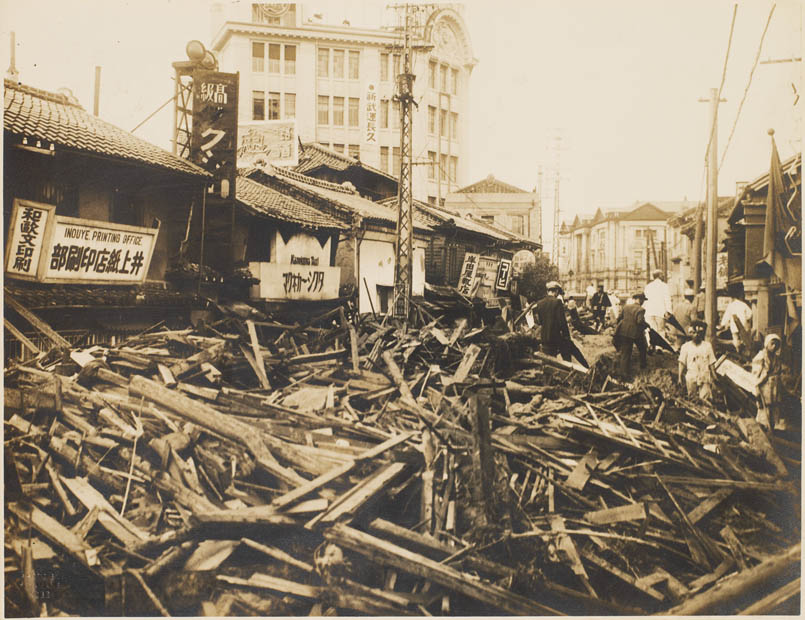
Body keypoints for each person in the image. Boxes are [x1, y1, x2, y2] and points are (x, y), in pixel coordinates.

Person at [677, 320, 717, 401]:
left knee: (705, 399)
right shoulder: (686, 347)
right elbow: (681, 363)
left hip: (704, 376)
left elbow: (711, 363)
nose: (696, 335)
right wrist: (679, 377)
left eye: (699, 333)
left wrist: (714, 376)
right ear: (691, 334)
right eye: (694, 333)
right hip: (691, 376)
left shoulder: (707, 346)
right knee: (692, 398)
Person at [752, 334, 783, 430]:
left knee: (773, 408)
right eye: (772, 344)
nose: (774, 347)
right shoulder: (761, 356)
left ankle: (772, 428)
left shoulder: (776, 357)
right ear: (767, 344)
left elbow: (779, 371)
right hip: (764, 385)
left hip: (774, 386)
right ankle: (763, 428)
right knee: (763, 408)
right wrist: (758, 383)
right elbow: (756, 373)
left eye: (776, 345)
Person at [535, 281, 572, 361]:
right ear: (556, 291)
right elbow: (562, 322)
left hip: (544, 337)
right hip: (555, 337)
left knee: (547, 360)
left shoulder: (540, 303)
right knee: (565, 357)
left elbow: (540, 322)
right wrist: (567, 337)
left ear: (548, 291)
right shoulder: (557, 302)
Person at [614, 292, 648, 378]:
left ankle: (623, 374)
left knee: (625, 353)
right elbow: (639, 321)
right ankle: (643, 367)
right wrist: (646, 325)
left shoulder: (626, 307)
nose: (643, 302)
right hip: (635, 334)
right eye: (643, 300)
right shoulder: (641, 310)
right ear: (639, 300)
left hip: (623, 332)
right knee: (643, 347)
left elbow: (619, 318)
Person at [644, 269, 673, 345]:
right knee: (661, 330)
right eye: (662, 274)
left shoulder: (648, 286)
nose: (663, 276)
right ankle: (659, 347)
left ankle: (650, 344)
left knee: (651, 329)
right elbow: (667, 299)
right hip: (660, 311)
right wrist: (668, 311)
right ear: (659, 276)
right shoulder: (664, 286)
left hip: (649, 311)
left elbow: (645, 299)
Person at [719, 291, 752, 355]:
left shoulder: (731, 305)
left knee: (736, 339)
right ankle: (744, 351)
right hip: (743, 325)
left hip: (734, 326)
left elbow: (726, 316)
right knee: (744, 340)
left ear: (732, 298)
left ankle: (738, 351)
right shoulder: (743, 304)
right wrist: (746, 319)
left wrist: (722, 324)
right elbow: (750, 313)